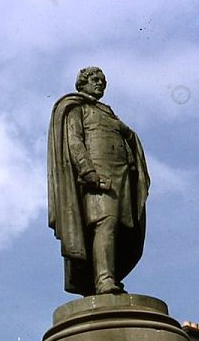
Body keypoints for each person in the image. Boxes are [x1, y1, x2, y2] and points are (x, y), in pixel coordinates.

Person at [48, 67, 150, 295]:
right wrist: (88, 172)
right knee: (106, 222)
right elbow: (74, 141)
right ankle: (103, 279)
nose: (100, 84)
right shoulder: (75, 107)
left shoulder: (109, 113)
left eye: (103, 81)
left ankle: (110, 275)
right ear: (82, 83)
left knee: (122, 228)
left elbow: (129, 139)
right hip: (99, 178)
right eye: (95, 80)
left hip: (121, 176)